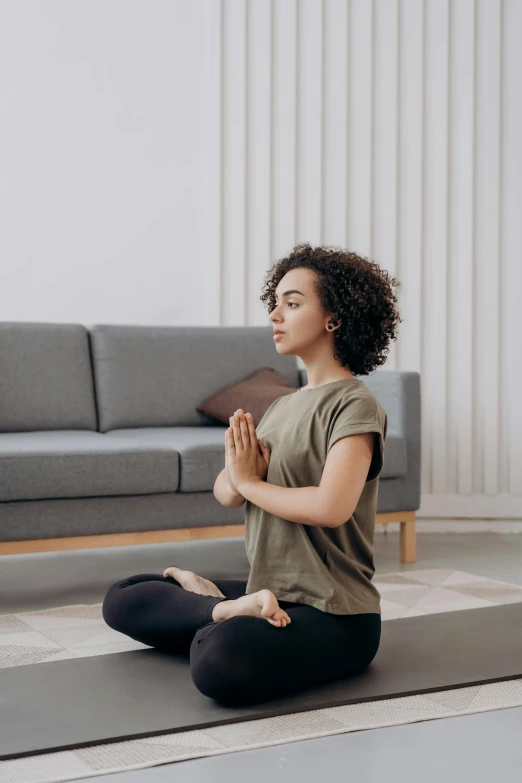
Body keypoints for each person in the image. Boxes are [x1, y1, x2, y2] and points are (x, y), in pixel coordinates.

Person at [102, 242, 402, 707]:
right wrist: (241, 479)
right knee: (123, 596)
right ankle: (225, 608)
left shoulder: (355, 404)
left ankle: (213, 617)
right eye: (276, 302)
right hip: (269, 590)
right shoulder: (280, 406)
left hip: (336, 613)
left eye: (292, 303)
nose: (276, 315)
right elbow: (228, 491)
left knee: (219, 662)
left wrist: (251, 483)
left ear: (335, 318)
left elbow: (330, 507)